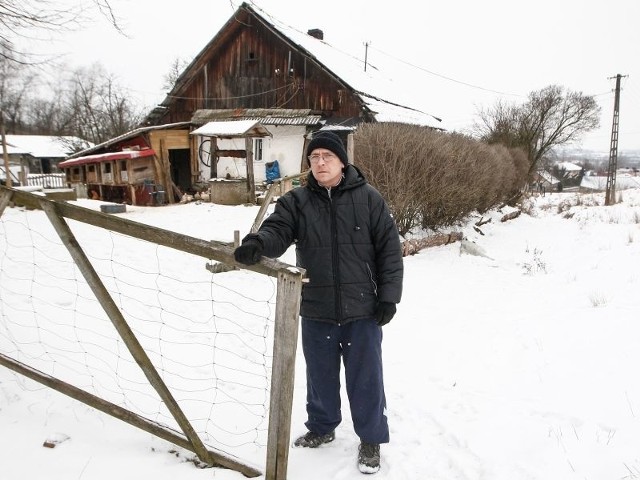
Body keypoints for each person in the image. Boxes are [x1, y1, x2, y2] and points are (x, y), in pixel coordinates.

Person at [233, 131, 403, 474]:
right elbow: (277, 230)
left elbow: (390, 251)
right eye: (314, 157)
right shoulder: (296, 201)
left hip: (362, 309)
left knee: (366, 377)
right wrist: (258, 243)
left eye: (327, 156)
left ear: (342, 161)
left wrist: (388, 297)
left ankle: (370, 438)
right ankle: (322, 428)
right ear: (308, 163)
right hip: (316, 306)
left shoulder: (369, 199)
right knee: (320, 376)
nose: (320, 162)